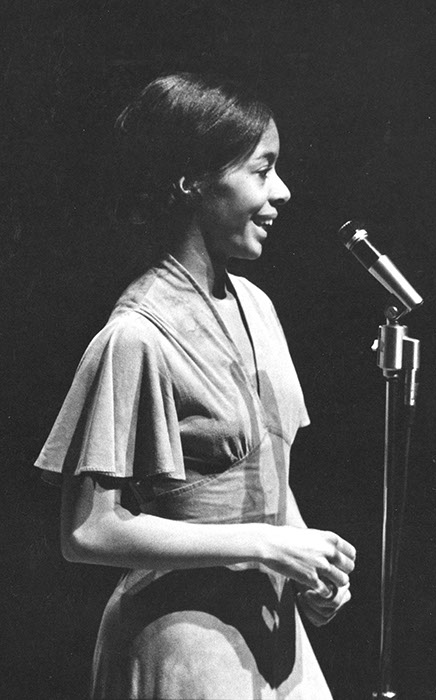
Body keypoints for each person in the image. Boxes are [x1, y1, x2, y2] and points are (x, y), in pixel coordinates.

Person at [35, 72, 356, 699]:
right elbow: (88, 532)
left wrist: (308, 569)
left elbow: (268, 471)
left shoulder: (258, 307)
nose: (283, 191)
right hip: (185, 640)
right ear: (193, 182)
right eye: (262, 172)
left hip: (275, 636)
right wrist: (267, 544)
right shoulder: (137, 336)